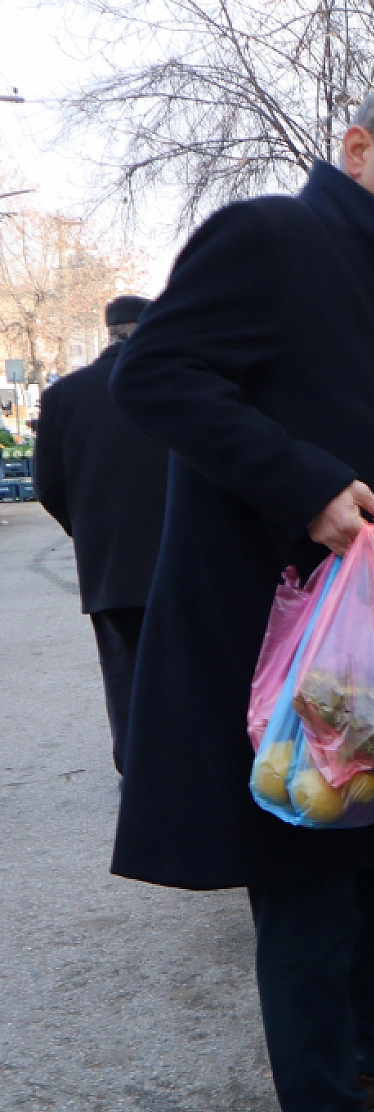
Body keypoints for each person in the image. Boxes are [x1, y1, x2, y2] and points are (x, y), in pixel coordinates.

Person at [108, 87, 374, 1112]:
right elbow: (153, 374)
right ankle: (327, 1100)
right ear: (355, 148)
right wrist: (306, 485)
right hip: (279, 643)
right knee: (306, 890)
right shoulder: (270, 235)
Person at [33, 295, 165, 775]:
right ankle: (191, 763)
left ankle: (138, 766)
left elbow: (48, 486)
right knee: (186, 665)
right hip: (180, 559)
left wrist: (87, 529)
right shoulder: (176, 386)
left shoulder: (65, 394)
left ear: (109, 333)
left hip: (108, 564)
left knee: (123, 667)